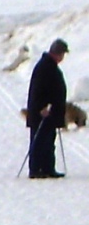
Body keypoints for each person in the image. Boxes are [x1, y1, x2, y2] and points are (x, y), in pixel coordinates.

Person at [26, 39, 69, 179]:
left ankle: (48, 168)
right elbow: (37, 90)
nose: (63, 57)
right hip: (43, 113)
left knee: (49, 141)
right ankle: (36, 169)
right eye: (62, 54)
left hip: (50, 112)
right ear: (57, 53)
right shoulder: (44, 67)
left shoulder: (50, 66)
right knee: (39, 140)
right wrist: (41, 108)